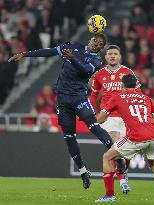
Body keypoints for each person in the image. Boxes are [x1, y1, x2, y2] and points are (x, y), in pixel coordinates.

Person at [8, 34, 125, 190]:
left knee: (93, 126)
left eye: (100, 43)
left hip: (79, 98)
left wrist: (71, 58)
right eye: (95, 40)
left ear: (101, 48)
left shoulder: (97, 61)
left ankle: (118, 158)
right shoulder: (74, 46)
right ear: (90, 39)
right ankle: (83, 172)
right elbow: (49, 51)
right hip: (62, 100)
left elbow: (84, 70)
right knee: (69, 137)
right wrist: (25, 54)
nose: (96, 43)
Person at [95, 74, 154, 203]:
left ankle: (109, 195)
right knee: (152, 162)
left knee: (107, 157)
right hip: (153, 135)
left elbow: (101, 119)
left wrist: (90, 119)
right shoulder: (146, 98)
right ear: (135, 86)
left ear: (123, 86)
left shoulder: (118, 98)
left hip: (135, 137)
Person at [90, 45, 141, 194]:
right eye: (110, 54)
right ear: (105, 57)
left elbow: (138, 93)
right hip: (109, 115)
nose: (112, 56)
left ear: (120, 57)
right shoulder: (99, 74)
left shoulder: (127, 72)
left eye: (115, 54)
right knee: (115, 143)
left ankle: (123, 176)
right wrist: (93, 111)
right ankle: (121, 182)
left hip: (125, 116)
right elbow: (94, 95)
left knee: (123, 153)